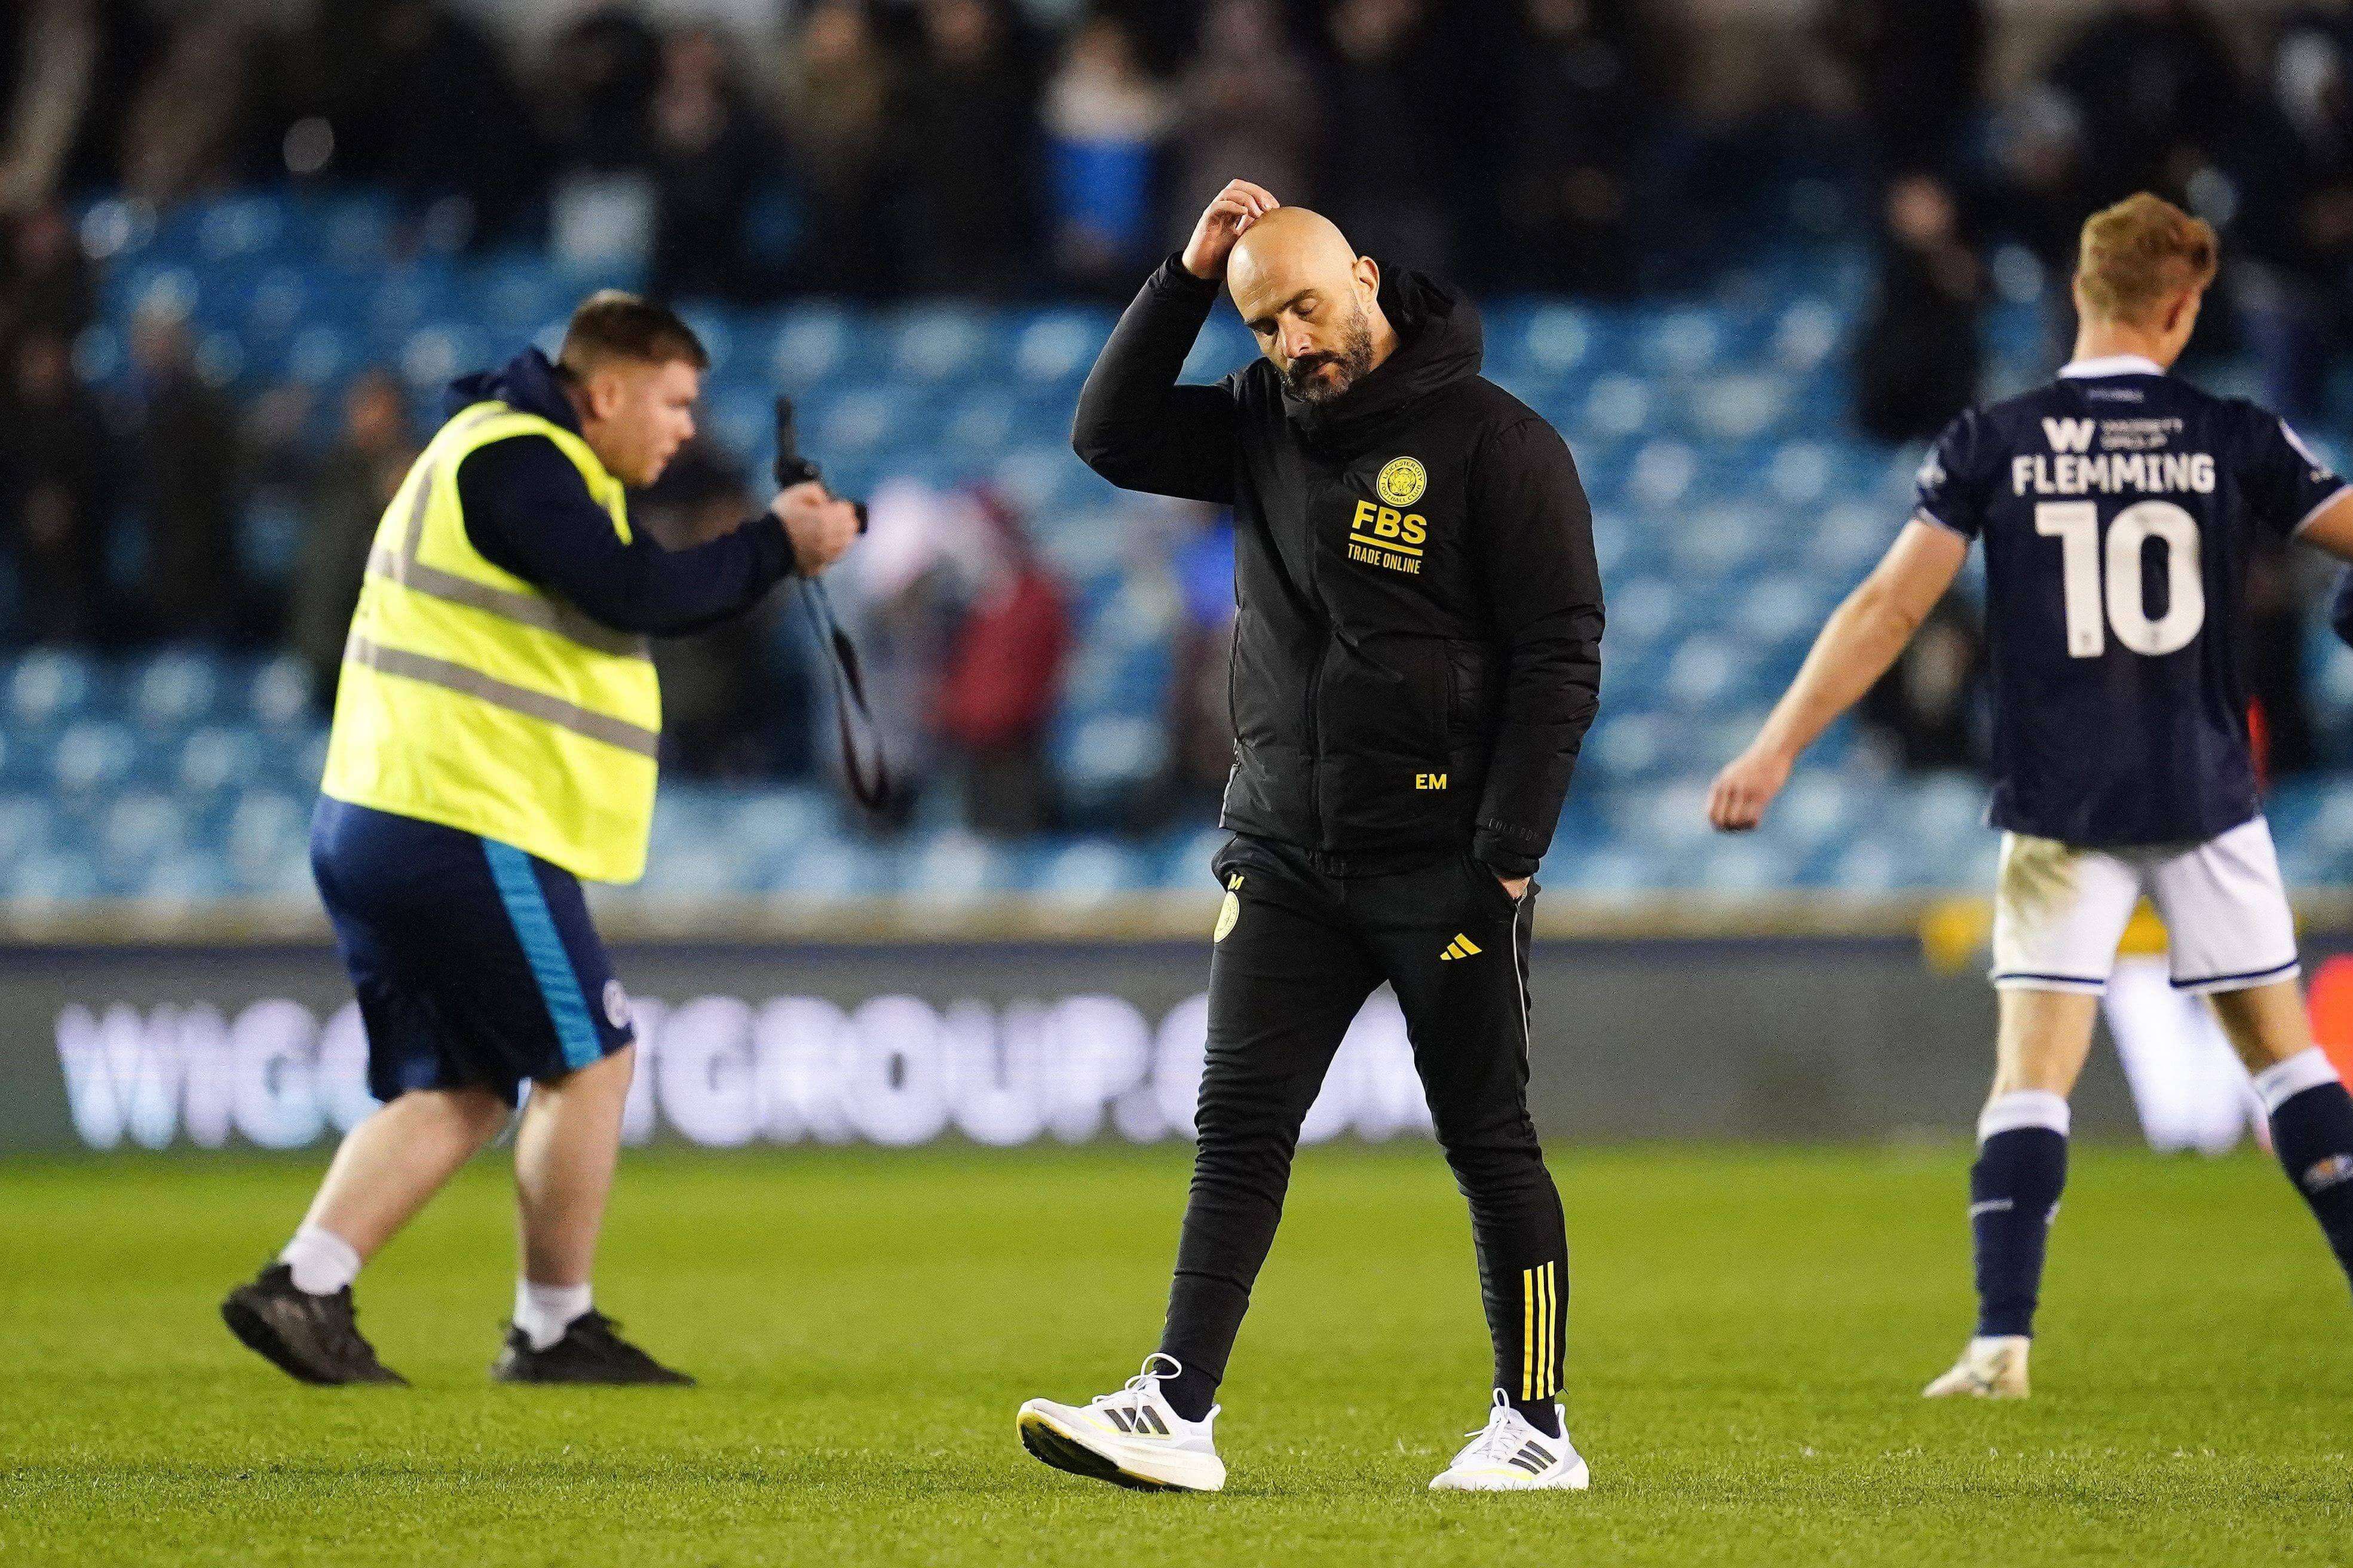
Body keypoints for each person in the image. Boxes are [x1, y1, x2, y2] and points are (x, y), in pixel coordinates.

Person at [1708, 194, 2353, 1401]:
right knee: (2288, 1067)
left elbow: (1890, 609)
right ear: (2178, 306)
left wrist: (1777, 745)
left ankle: (2000, 1341)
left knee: (2031, 1077)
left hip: (2064, 804)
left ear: (2079, 293)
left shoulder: (1993, 438)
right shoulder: (2231, 432)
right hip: (2208, 791)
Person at [1018, 182, 1604, 1493]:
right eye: (1264, 322)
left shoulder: (1499, 445)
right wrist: (1183, 276)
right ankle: (1175, 1408)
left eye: (1307, 307)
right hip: (1284, 848)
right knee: (1235, 1126)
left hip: (1441, 861)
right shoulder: (1255, 424)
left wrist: (1505, 855)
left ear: (1369, 279)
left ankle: (1535, 1425)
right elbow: (1105, 436)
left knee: (1486, 1141)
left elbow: (1563, 658)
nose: (1292, 341)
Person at [219, 293, 860, 1386]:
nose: (684, 429)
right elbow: (637, 592)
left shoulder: (505, 459)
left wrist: (769, 549)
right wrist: (775, 545)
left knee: (463, 1085)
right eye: (672, 401)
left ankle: (305, 1285)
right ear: (603, 390)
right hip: (460, 818)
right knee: (594, 1059)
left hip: (388, 813)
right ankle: (552, 1327)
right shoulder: (516, 456)